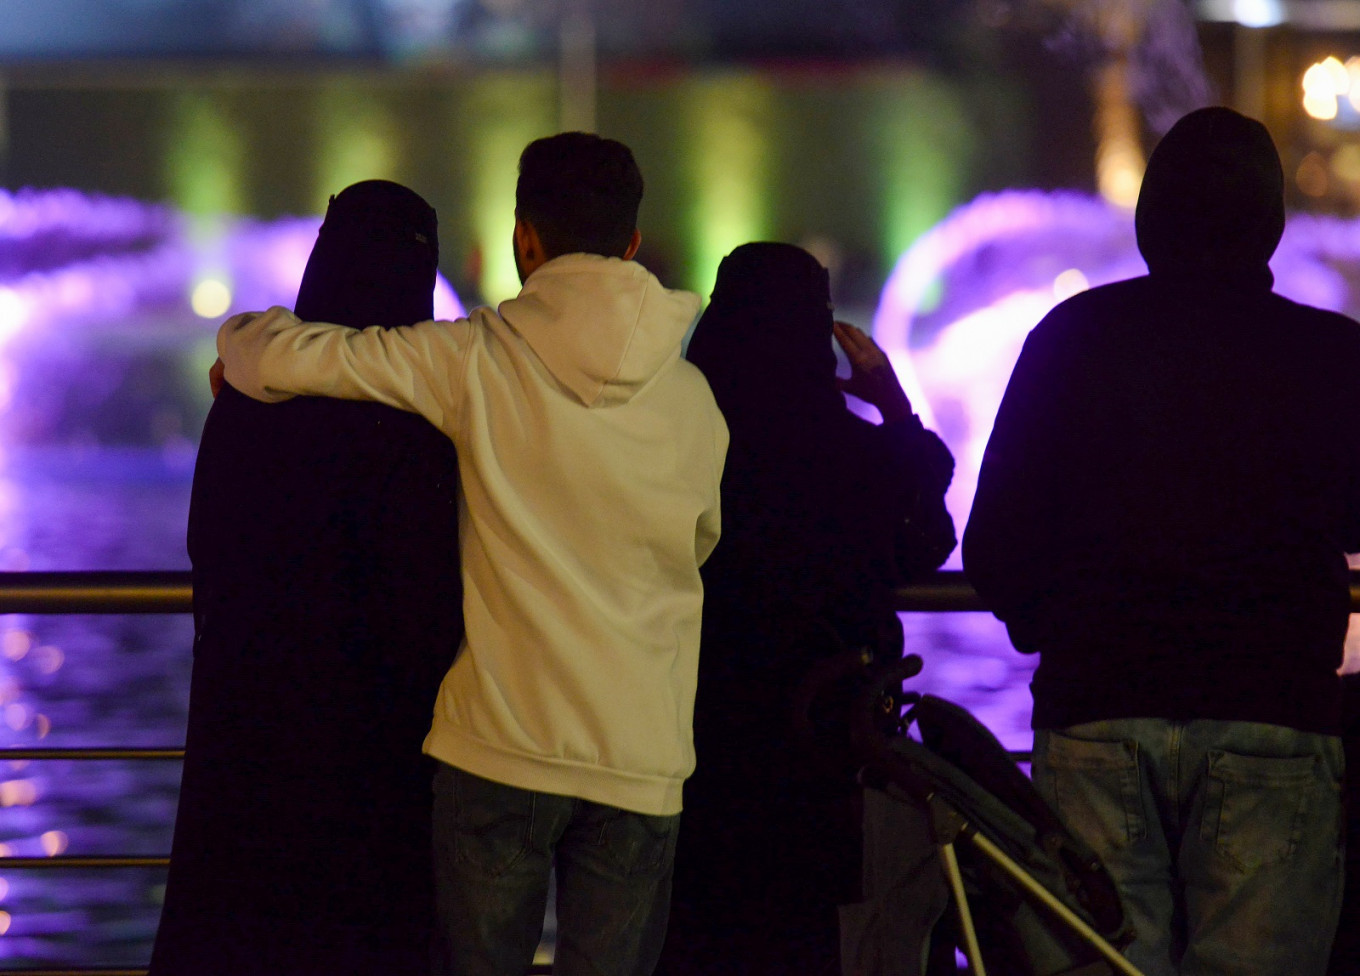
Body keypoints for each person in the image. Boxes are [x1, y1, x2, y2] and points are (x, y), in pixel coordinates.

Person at [214, 132, 728, 976]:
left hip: (499, 745)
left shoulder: (473, 358)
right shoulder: (694, 399)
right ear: (633, 242)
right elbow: (700, 541)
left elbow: (297, 355)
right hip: (643, 753)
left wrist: (239, 350)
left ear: (526, 236)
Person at [963, 106, 1352, 976]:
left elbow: (994, 542)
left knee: (1106, 958)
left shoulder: (1072, 339)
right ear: (1271, 226)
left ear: (1148, 221)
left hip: (1098, 704)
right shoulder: (1331, 355)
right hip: (1273, 710)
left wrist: (1052, 626)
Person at [149, 180, 463, 974]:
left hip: (246, 742)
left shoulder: (249, 400)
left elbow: (208, 544)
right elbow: (434, 602)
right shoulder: (429, 424)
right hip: (380, 767)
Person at [657, 242, 955, 975]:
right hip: (828, 754)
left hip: (696, 752)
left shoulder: (671, 445)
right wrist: (891, 405)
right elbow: (928, 540)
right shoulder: (855, 455)